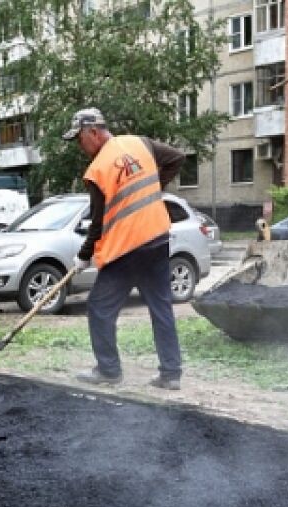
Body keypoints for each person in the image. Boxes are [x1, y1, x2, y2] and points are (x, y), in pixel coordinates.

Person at [63, 108, 186, 390]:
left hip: (126, 249)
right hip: (156, 238)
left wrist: (83, 256)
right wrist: (155, 187)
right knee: (160, 307)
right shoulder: (139, 143)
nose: (81, 148)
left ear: (93, 132)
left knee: (99, 307)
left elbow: (97, 222)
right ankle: (171, 374)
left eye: (80, 140)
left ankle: (108, 371)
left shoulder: (97, 170)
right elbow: (177, 157)